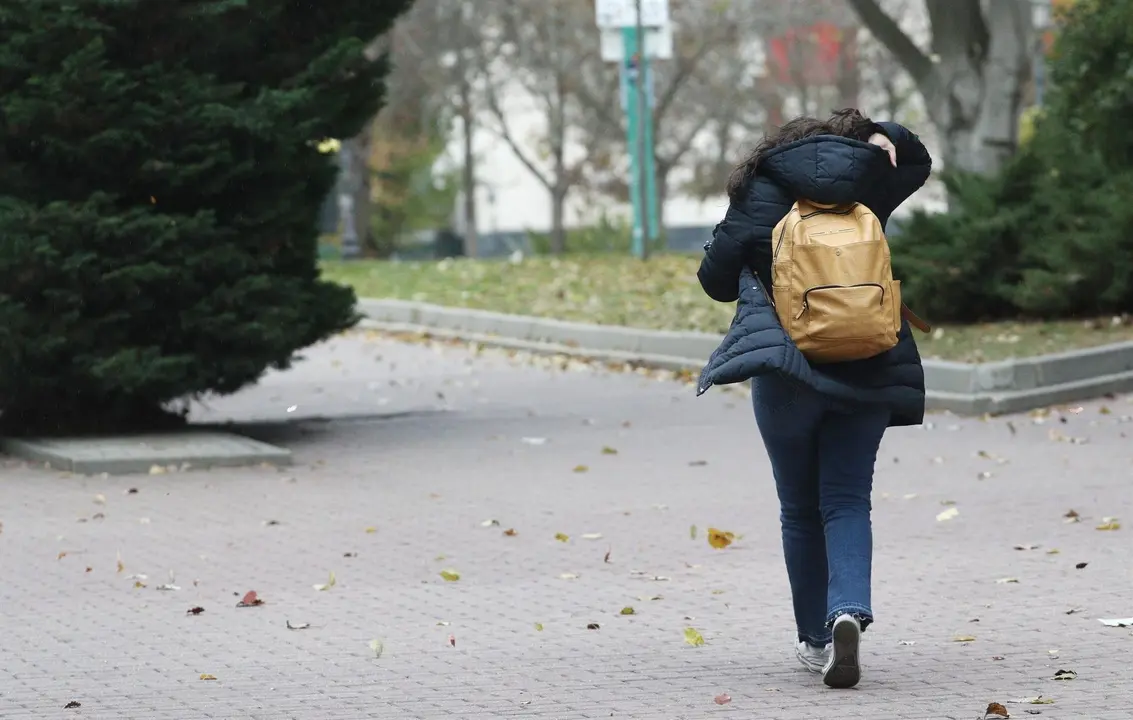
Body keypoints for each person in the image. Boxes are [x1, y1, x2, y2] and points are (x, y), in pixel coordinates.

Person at [695, 109, 932, 689]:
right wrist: (886, 137)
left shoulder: (762, 188)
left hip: (787, 371)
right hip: (871, 364)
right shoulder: (868, 183)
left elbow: (716, 279)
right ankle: (848, 608)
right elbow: (919, 162)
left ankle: (816, 638)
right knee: (847, 500)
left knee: (799, 508)